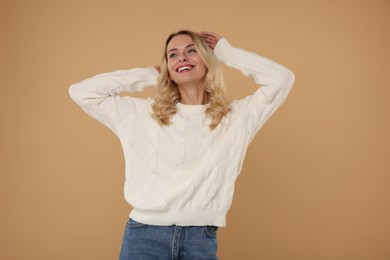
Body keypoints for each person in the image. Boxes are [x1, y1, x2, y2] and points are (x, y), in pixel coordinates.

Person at [69, 30, 295, 260]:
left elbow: (281, 79)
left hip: (200, 239)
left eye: (192, 51)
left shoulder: (235, 118)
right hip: (143, 237)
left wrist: (227, 52)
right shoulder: (141, 114)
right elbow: (82, 92)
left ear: (208, 59)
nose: (182, 58)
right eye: (173, 55)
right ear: (166, 66)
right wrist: (149, 75)